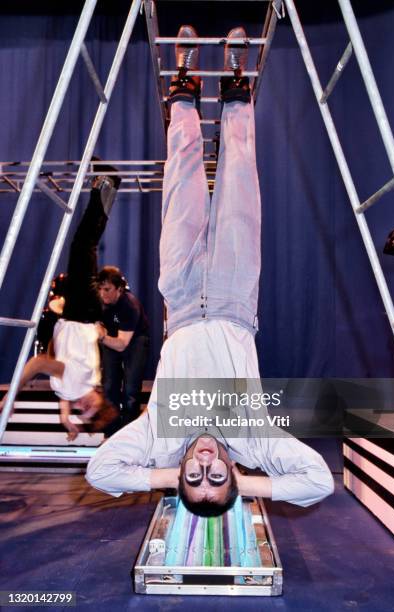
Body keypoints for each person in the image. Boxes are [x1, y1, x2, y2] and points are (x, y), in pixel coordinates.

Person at [86, 26, 334, 515]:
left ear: (178, 474)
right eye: (215, 478)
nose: (204, 464)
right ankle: (236, 89)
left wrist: (168, 476)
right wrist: (244, 483)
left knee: (182, 179)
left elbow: (101, 472)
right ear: (232, 475)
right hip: (233, 298)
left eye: (194, 478)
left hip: (179, 298)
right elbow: (318, 482)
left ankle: (184, 87)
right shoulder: (253, 444)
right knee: (240, 181)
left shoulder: (159, 441)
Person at [1, 166, 121, 440]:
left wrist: (65, 415)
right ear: (99, 399)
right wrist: (11, 396)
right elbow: (41, 363)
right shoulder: (78, 384)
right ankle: (106, 183)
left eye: (81, 410)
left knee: (85, 245)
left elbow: (69, 388)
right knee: (83, 245)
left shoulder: (85, 385)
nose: (82, 405)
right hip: (81, 311)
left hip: (82, 313)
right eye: (89, 406)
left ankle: (104, 185)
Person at [96, 266, 149, 434]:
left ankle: (129, 434)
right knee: (109, 385)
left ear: (119, 289)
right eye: (100, 289)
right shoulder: (99, 302)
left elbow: (121, 344)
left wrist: (101, 336)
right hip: (112, 337)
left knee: (131, 390)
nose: (103, 293)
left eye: (107, 289)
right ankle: (110, 433)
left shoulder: (129, 305)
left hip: (134, 341)